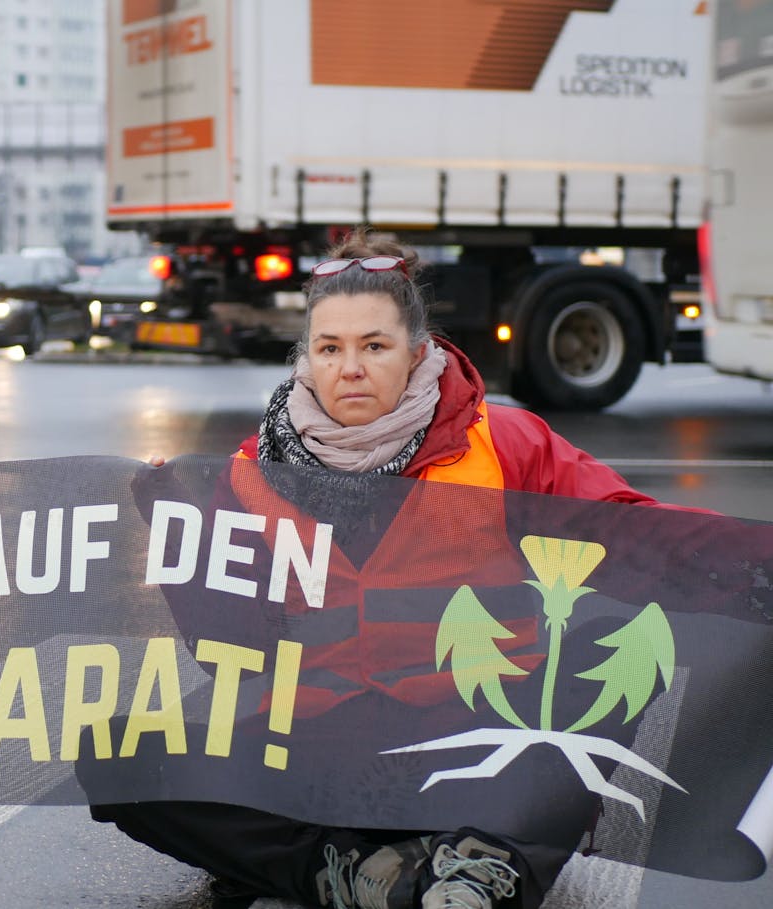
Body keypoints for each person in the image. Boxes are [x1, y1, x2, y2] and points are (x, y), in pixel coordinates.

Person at [89, 230, 691, 909]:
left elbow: (640, 531)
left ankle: (486, 862)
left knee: (605, 658)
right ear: (305, 358)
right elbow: (234, 651)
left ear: (416, 348)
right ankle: (356, 872)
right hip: (323, 758)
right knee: (119, 754)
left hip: (476, 748)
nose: (351, 368)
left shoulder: (503, 443)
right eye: (330, 348)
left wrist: (744, 569)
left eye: (374, 345)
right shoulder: (247, 473)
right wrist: (178, 528)